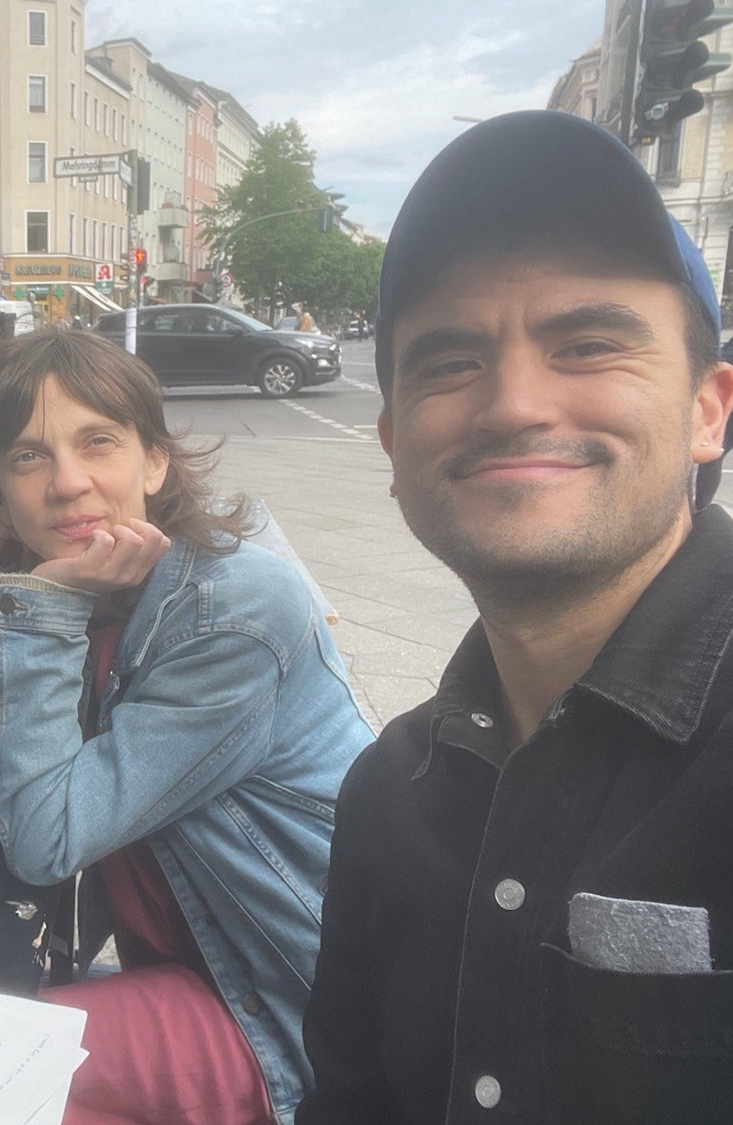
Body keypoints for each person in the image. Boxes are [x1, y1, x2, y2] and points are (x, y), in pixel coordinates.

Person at [298, 111, 733, 1123]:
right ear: (395, 441)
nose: (514, 404)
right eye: (450, 361)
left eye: (586, 344)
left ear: (709, 409)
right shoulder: (386, 794)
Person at [0, 330, 372, 1123]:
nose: (68, 482)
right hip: (206, 968)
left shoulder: (234, 611)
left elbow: (45, 840)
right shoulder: (86, 591)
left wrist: (42, 607)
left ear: (153, 462)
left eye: (98, 442)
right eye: (26, 457)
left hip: (294, 1006)